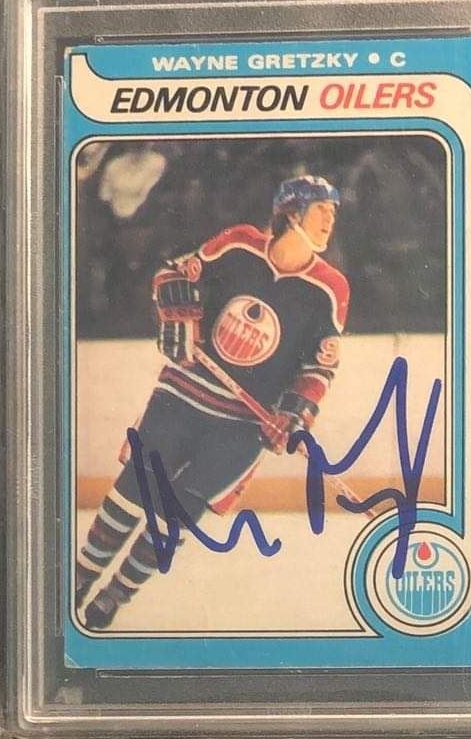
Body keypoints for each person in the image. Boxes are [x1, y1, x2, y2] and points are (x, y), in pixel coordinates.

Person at [76, 175, 350, 630]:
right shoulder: (239, 244)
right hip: (184, 392)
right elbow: (173, 274)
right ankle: (81, 577)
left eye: (333, 212)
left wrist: (295, 412)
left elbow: (320, 367)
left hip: (244, 425)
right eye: (321, 209)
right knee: (135, 487)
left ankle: (115, 595)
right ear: (290, 213)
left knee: (179, 513)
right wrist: (174, 309)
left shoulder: (330, 288)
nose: (329, 220)